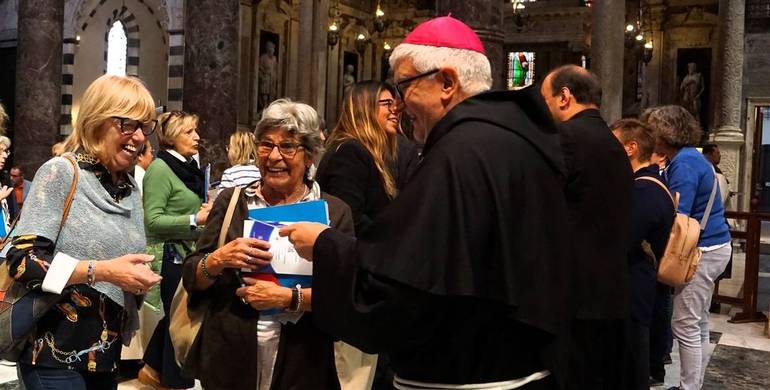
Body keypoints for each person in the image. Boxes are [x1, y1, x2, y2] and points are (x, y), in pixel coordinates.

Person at [281, 16, 570, 389]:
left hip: (461, 376)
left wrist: (325, 245)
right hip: (521, 368)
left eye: (403, 87)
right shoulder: (519, 143)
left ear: (446, 83)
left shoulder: (457, 155)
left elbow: (402, 291)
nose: (399, 105)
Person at [181, 99, 353, 390]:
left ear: (309, 155)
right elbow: (192, 278)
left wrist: (288, 299)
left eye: (288, 147)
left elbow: (345, 296)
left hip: (303, 361)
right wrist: (218, 259)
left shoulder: (333, 213)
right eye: (266, 144)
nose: (274, 156)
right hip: (229, 358)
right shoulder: (233, 202)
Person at [6, 74, 161, 389]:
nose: (139, 137)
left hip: (105, 355)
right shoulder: (61, 172)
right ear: (96, 120)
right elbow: (22, 261)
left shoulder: (128, 187)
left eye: (146, 127)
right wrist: (104, 271)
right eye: (128, 124)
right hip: (52, 353)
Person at [540, 64, 633, 389]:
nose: (545, 109)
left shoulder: (565, 139)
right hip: (611, 291)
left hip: (573, 298)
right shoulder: (613, 144)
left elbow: (542, 213)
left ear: (564, 96)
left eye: (546, 99)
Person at [317, 80, 401, 389]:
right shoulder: (350, 152)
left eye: (396, 104)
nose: (396, 110)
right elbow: (344, 219)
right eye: (386, 104)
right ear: (363, 109)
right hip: (352, 282)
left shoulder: (369, 154)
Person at [641, 105, 731, 390]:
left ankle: (688, 387)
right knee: (699, 321)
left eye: (652, 129)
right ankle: (694, 383)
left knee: (685, 325)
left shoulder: (685, 164)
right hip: (715, 246)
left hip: (700, 250)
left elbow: (679, 215)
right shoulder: (693, 158)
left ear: (665, 132)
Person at [137, 111, 211, 389]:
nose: (197, 137)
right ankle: (173, 381)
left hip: (187, 251)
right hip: (170, 255)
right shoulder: (160, 169)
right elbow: (152, 220)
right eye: (189, 132)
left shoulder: (188, 167)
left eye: (196, 130)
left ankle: (154, 368)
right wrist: (196, 220)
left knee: (177, 316)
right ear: (171, 137)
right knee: (179, 318)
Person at [610, 119, 675, 389]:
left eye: (613, 145)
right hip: (639, 286)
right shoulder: (648, 183)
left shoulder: (644, 189)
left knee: (632, 365)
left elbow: (623, 240)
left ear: (630, 148)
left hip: (636, 288)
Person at [259, 40, 278, 110]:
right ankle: (264, 107)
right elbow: (259, 66)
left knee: (272, 93)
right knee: (264, 92)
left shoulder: (274, 58)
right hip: (266, 76)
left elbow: (276, 68)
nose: (272, 50)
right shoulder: (263, 57)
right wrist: (264, 72)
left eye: (273, 48)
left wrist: (275, 76)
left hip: (272, 77)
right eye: (270, 48)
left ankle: (269, 108)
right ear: (267, 48)